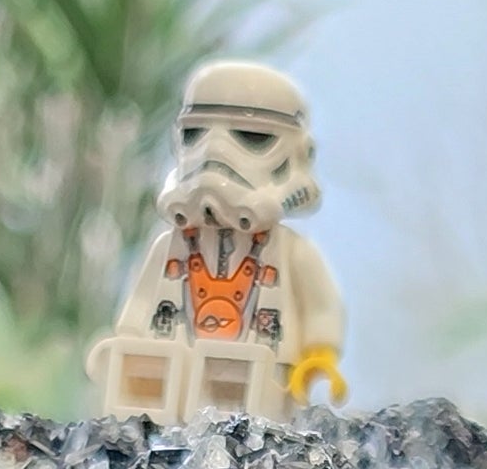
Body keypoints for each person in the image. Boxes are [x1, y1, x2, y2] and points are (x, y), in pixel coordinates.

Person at [87, 60, 348, 422]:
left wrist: (319, 352)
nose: (212, 154)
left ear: (298, 153)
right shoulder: (169, 247)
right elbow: (142, 303)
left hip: (263, 393)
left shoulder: (292, 253)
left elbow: (321, 307)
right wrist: (125, 343)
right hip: (166, 389)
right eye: (195, 135)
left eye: (251, 137)